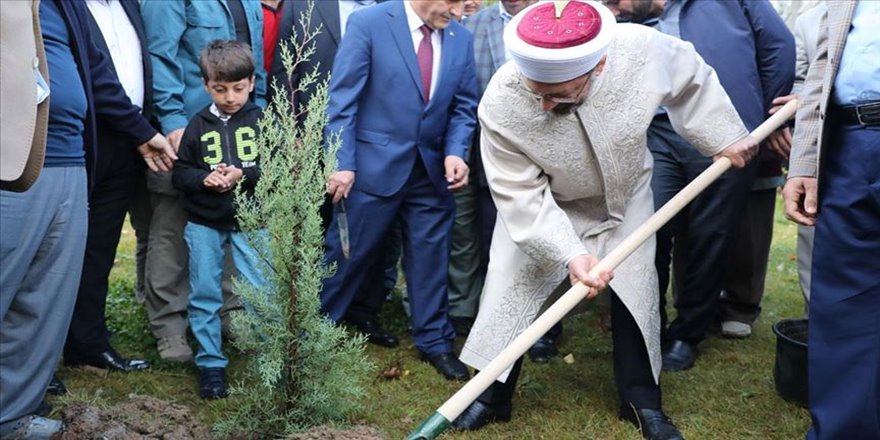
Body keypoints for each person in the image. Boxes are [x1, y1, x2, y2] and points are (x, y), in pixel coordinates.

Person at [454, 1, 757, 438]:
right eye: (535, 90)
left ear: (598, 67)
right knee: (508, 291)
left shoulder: (640, 49)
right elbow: (519, 194)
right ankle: (489, 397)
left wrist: (722, 136)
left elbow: (692, 79)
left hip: (625, 200)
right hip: (546, 205)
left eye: (557, 94)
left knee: (637, 295)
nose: (542, 105)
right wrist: (570, 254)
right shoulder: (501, 103)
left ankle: (641, 401)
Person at [1, 0, 175, 436]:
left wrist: (143, 133)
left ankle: (11, 415)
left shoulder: (66, 6)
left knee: (42, 300)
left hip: (69, 158)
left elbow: (96, 71)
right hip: (9, 162)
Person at [320, 0, 478, 381]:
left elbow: (463, 106)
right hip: (372, 170)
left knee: (430, 259)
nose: (458, 12)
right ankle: (314, 334)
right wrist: (342, 161)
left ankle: (435, 342)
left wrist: (457, 153)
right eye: (453, 1)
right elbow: (342, 99)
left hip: (431, 172)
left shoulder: (460, 38)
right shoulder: (369, 23)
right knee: (347, 255)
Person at [630, 0, 793, 367]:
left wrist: (762, 116)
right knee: (649, 230)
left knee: (711, 234)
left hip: (723, 132)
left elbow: (779, 46)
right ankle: (646, 328)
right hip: (655, 135)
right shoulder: (632, 20)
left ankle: (688, 333)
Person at [140, 0, 267, 361]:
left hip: (242, 134)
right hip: (189, 134)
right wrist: (173, 121)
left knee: (233, 225)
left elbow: (255, 64)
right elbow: (158, 56)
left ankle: (229, 313)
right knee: (171, 230)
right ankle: (170, 327)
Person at [271, 0, 401, 349]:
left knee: (376, 233)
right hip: (312, 136)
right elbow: (285, 69)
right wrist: (290, 127)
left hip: (378, 143)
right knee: (318, 226)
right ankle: (311, 316)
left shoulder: (395, 10)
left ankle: (364, 310)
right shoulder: (304, 5)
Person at [781, 1, 880, 438]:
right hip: (850, 142)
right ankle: (842, 430)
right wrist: (803, 164)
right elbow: (820, 74)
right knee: (843, 301)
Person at [456, 0, 564, 364]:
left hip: (553, 152)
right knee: (498, 244)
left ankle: (545, 329)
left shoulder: (558, 18)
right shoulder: (472, 26)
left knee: (549, 238)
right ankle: (501, 326)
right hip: (497, 158)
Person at [61, 0, 155, 378]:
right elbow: (94, 79)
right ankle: (36, 353)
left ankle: (87, 344)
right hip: (80, 139)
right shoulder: (65, 7)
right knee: (58, 250)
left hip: (128, 144)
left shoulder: (131, 5)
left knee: (100, 248)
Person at [172, 40, 266, 400]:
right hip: (205, 222)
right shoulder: (197, 125)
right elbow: (181, 174)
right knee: (205, 293)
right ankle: (211, 364)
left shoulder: (262, 120)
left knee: (261, 292)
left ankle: (267, 357)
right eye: (220, 89)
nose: (230, 97)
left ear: (252, 83)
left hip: (254, 222)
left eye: (238, 88)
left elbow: (275, 167)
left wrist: (243, 173)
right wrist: (203, 179)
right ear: (206, 85)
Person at [790, 1, 826, 314]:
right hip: (825, 140)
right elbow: (802, 78)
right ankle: (815, 318)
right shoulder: (809, 20)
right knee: (813, 225)